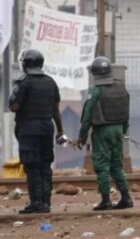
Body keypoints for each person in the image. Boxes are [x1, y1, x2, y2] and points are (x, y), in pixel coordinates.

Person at [9, 49, 65, 214]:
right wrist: (60, 131)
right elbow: (56, 110)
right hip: (47, 128)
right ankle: (46, 203)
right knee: (45, 165)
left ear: (25, 64)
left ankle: (36, 203)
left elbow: (14, 107)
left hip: (28, 129)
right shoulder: (50, 82)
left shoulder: (24, 83)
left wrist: (15, 92)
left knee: (32, 166)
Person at [77, 57, 133, 211]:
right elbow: (126, 112)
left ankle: (106, 200)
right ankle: (126, 197)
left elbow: (87, 117)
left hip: (102, 131)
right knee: (117, 164)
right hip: (118, 129)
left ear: (94, 74)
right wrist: (123, 130)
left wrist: (82, 137)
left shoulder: (95, 92)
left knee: (102, 165)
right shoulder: (122, 88)